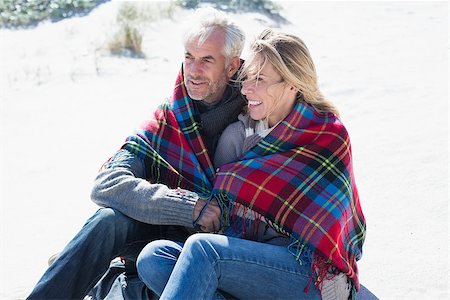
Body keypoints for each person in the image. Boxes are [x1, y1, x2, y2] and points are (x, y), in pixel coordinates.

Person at [27, 7, 246, 299]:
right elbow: (108, 183)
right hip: (158, 232)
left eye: (207, 60)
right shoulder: (170, 115)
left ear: (232, 66)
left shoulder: (255, 111)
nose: (193, 71)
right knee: (107, 220)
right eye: (188, 57)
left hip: (214, 250)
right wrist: (188, 206)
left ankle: (106, 280)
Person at [136, 29, 367, 299]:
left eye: (259, 79)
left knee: (203, 250)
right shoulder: (238, 136)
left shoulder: (326, 135)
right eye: (247, 78)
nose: (246, 89)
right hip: (247, 263)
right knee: (154, 256)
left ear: (292, 83)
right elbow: (221, 215)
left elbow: (333, 229)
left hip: (309, 274)